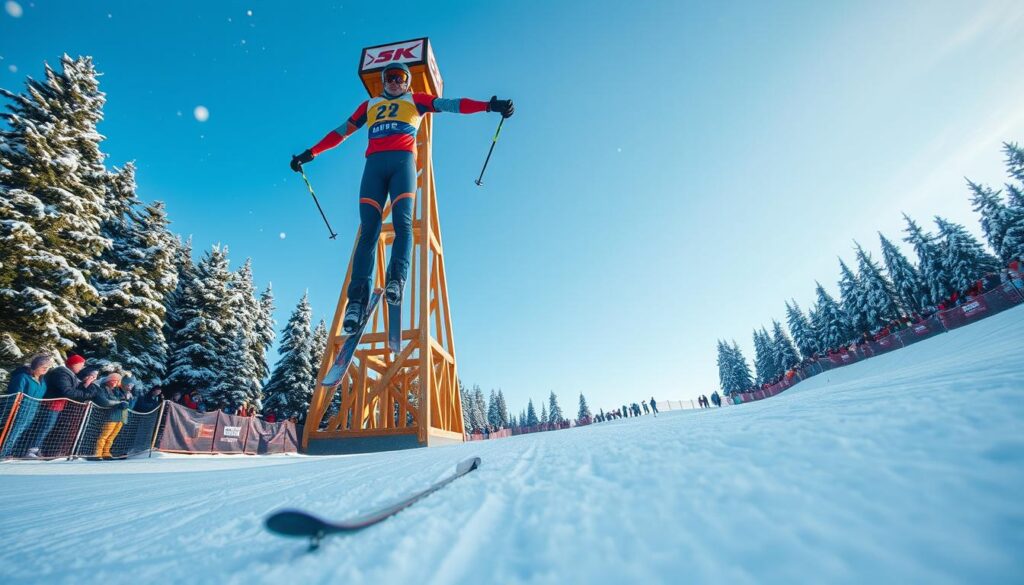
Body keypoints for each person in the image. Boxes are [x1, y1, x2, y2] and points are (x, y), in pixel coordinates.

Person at [290, 62, 515, 334]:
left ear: (408, 83)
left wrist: (489, 106)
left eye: (400, 78)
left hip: (402, 166)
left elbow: (452, 105)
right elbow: (341, 132)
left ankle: (396, 279)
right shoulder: (370, 105)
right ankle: (356, 302)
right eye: (390, 77)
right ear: (384, 81)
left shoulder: (416, 100)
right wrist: (310, 153)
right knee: (368, 232)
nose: (394, 82)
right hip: (373, 168)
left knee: (402, 223)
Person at [27, 354, 87, 458]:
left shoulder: (69, 374)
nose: (82, 367)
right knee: (44, 427)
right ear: (74, 364)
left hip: (57, 405)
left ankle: (36, 448)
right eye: (81, 365)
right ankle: (31, 449)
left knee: (47, 428)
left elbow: (74, 388)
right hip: (51, 405)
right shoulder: (62, 373)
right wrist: (85, 393)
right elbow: (67, 391)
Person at [1, 354, 53, 458]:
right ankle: (3, 453)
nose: (45, 369)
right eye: (43, 367)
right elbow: (16, 393)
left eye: (47, 367)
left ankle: (11, 451)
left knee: (21, 431)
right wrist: (16, 407)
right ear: (36, 366)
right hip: (20, 409)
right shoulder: (23, 377)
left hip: (32, 410)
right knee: (13, 430)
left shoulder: (42, 380)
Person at [92, 373, 131, 459]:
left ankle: (106, 452)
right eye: (113, 380)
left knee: (112, 436)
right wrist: (119, 403)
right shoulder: (103, 388)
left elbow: (124, 400)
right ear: (108, 380)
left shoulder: (118, 390)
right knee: (104, 435)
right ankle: (97, 453)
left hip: (120, 416)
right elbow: (105, 401)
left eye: (117, 380)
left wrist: (125, 398)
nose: (114, 382)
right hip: (110, 416)